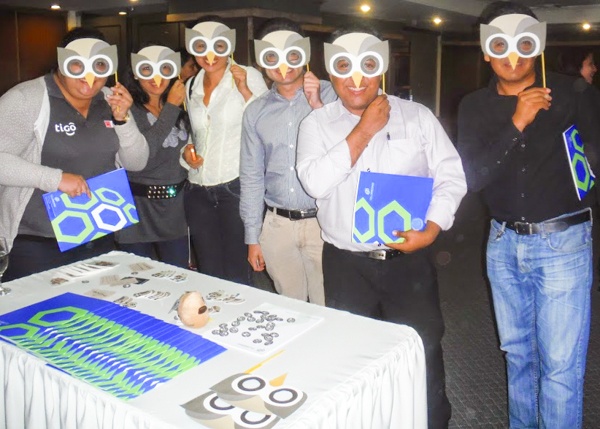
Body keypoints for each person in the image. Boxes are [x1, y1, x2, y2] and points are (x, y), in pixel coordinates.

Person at [296, 27, 466, 428]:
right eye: (344, 66)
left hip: (409, 261)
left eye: (367, 65)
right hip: (346, 263)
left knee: (422, 352)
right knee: (353, 358)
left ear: (382, 66)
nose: (356, 78)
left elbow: (451, 176)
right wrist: (364, 130)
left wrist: (433, 228)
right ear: (331, 70)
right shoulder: (316, 125)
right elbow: (315, 183)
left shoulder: (418, 117)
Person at [457, 2, 600, 427]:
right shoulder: (474, 106)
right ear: (486, 51)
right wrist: (517, 121)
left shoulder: (572, 93)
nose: (512, 55)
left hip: (563, 243)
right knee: (518, 356)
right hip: (502, 244)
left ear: (537, 44)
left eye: (523, 44)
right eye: (500, 45)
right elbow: (474, 177)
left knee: (560, 367)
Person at [0, 27, 148, 281]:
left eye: (99, 64)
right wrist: (55, 179)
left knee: (97, 304)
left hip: (97, 233)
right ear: (62, 62)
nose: (90, 76)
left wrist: (123, 120)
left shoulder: (110, 100)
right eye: (77, 64)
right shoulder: (27, 98)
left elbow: (137, 163)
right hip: (37, 241)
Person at [239, 19, 336, 304]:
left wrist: (319, 107)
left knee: (328, 307)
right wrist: (252, 237)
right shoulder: (256, 111)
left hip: (323, 222)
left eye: (291, 54)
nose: (283, 64)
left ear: (304, 53)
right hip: (277, 226)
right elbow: (252, 176)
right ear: (261, 59)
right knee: (290, 308)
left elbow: (349, 151)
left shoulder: (334, 95)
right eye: (272, 56)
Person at [181, 19, 268, 284]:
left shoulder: (247, 75)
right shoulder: (191, 85)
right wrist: (186, 152)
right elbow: (195, 134)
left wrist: (245, 90)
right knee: (209, 272)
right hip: (197, 191)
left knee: (238, 272)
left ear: (228, 45)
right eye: (201, 47)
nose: (210, 55)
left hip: (235, 187)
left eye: (218, 46)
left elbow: (266, 123)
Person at [116, 44, 190, 268]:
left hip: (174, 208)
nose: (156, 77)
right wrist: (171, 108)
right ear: (135, 73)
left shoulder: (182, 105)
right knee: (139, 278)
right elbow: (142, 157)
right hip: (137, 206)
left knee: (178, 277)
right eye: (147, 69)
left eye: (164, 68)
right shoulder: (126, 110)